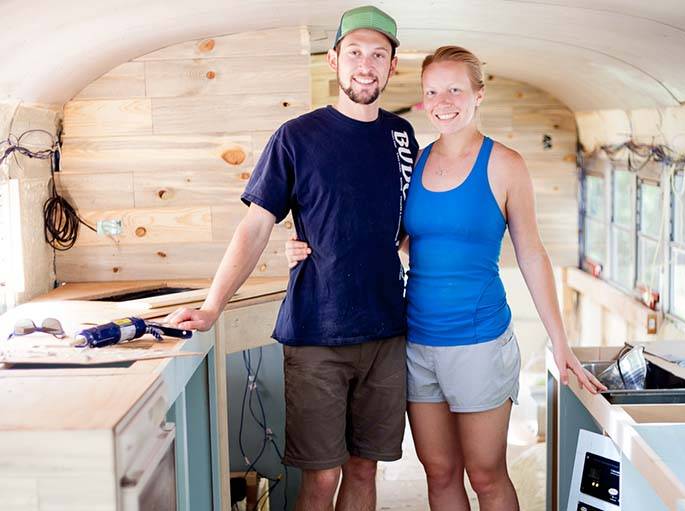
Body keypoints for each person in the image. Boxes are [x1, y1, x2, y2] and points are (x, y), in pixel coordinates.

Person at [286, 45, 605, 510]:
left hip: (478, 341)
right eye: (432, 90)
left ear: (479, 94)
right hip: (416, 343)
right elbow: (389, 233)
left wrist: (560, 343)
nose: (443, 100)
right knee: (439, 473)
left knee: (486, 474)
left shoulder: (505, 165)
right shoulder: (414, 162)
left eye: (455, 89)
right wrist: (300, 244)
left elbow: (533, 255)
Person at [165, 6, 418, 511]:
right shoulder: (296, 137)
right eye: (354, 53)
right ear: (333, 61)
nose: (365, 65)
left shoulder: (402, 138)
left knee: (365, 470)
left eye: (377, 55)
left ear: (393, 66)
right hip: (316, 332)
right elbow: (256, 225)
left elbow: (405, 230)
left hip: (388, 330)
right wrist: (213, 306)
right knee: (321, 479)